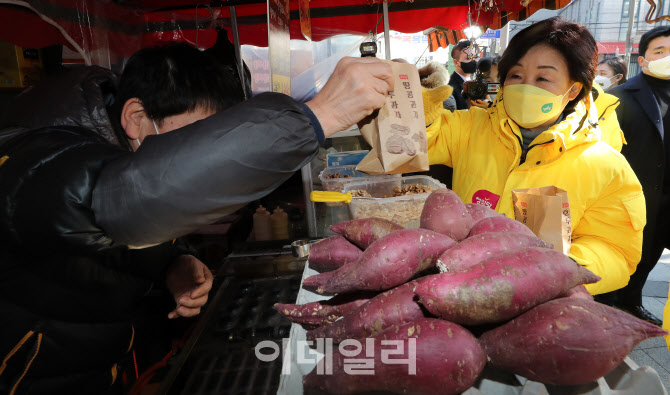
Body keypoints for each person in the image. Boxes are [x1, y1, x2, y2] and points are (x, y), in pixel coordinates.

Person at [0, 43, 393, 393]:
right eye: (190, 141)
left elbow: (112, 234)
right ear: (136, 116)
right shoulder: (31, 166)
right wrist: (319, 115)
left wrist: (173, 259)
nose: (194, 156)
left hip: (110, 365)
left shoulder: (116, 146)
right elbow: (121, 199)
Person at [421, 17, 645, 295]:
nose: (525, 87)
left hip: (542, 302)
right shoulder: (469, 127)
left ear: (573, 89)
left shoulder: (606, 166)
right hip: (458, 286)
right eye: (516, 76)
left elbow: (613, 249)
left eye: (543, 78)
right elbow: (414, 146)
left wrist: (555, 269)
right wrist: (417, 114)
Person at [603, 26, 670, 325]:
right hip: (631, 198)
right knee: (623, 257)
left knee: (651, 254)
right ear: (642, 60)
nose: (667, 57)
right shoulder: (618, 98)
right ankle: (608, 310)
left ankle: (632, 302)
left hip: (666, 198)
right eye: (659, 51)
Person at [448, 39, 476, 110]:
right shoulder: (450, 87)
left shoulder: (476, 83)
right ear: (456, 62)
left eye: (475, 57)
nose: (473, 61)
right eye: (468, 58)